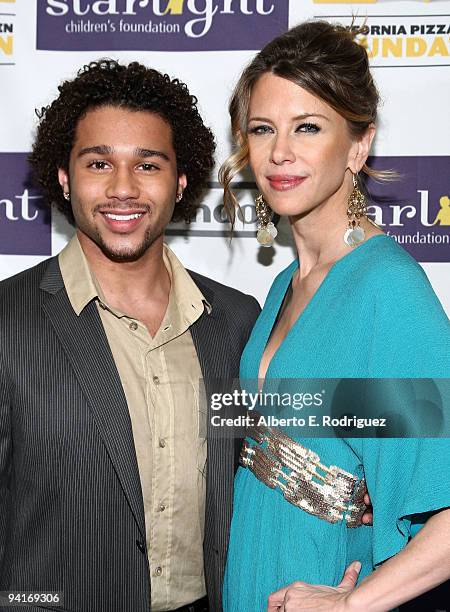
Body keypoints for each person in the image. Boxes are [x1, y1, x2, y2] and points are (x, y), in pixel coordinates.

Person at [0, 60, 261, 612]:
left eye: (148, 165)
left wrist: (354, 485)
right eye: (99, 163)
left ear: (181, 180)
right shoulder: (7, 320)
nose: (124, 189)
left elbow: (263, 451)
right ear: (65, 178)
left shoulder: (235, 318)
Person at [219, 21, 450, 611]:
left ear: (358, 145)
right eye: (263, 129)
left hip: (318, 579)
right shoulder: (281, 288)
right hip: (254, 572)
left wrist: (353, 604)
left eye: (308, 128)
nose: (279, 154)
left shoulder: (387, 289)